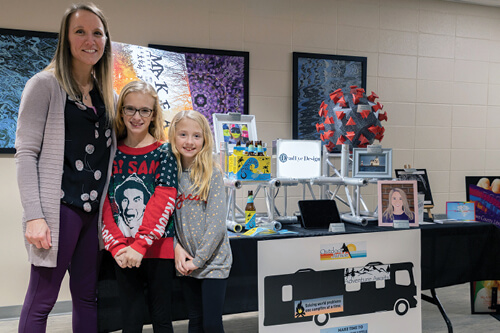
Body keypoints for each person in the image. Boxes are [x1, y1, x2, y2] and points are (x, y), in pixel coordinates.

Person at [15, 3, 115, 332]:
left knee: (87, 297)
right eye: (80, 31)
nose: (90, 40)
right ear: (65, 38)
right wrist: (34, 215)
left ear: (106, 40)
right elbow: (26, 153)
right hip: (58, 211)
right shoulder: (44, 85)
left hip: (92, 216)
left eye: (97, 32)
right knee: (42, 299)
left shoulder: (104, 96)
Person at [101, 80, 178, 332]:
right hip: (123, 253)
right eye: (130, 109)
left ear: (153, 114)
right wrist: (117, 246)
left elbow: (163, 201)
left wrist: (141, 244)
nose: (137, 116)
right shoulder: (111, 152)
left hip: (157, 249)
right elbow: (106, 203)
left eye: (144, 110)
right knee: (130, 321)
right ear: (121, 111)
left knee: (161, 320)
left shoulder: (164, 152)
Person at [169, 110, 232, 333]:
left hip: (213, 261)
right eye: (183, 134)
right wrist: (177, 248)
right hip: (186, 262)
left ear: (205, 139)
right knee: (194, 320)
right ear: (173, 136)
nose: (189, 141)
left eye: (196, 136)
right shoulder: (170, 173)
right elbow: (166, 220)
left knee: (211, 323)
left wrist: (199, 260)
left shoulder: (212, 173)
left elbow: (216, 224)